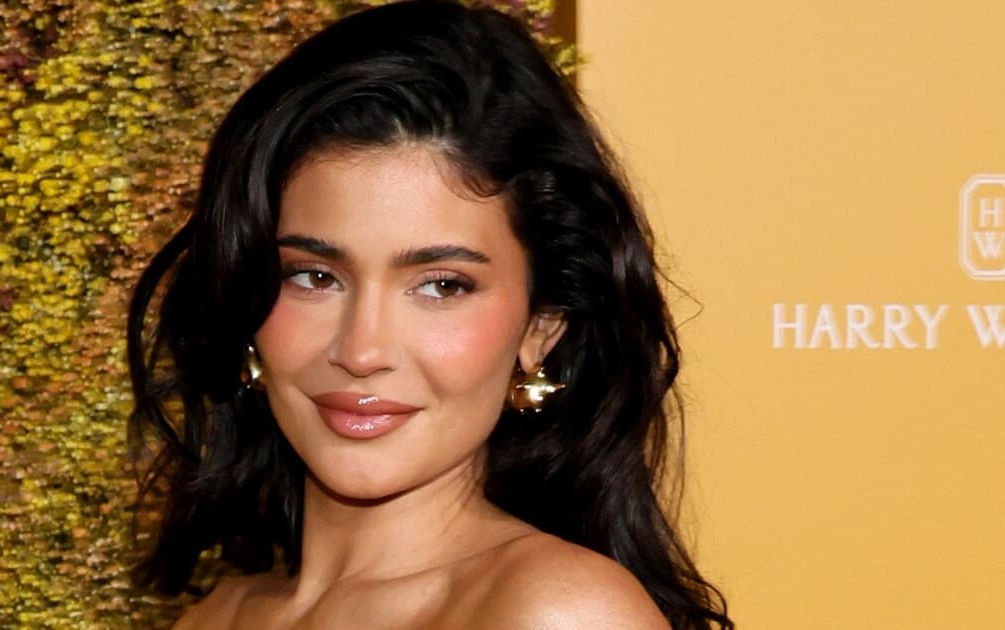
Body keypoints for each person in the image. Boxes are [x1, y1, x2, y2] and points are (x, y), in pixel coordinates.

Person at [126, 1, 733, 628]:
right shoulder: (214, 618)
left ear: (541, 327)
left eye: (442, 286)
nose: (362, 351)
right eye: (314, 277)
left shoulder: (560, 612)